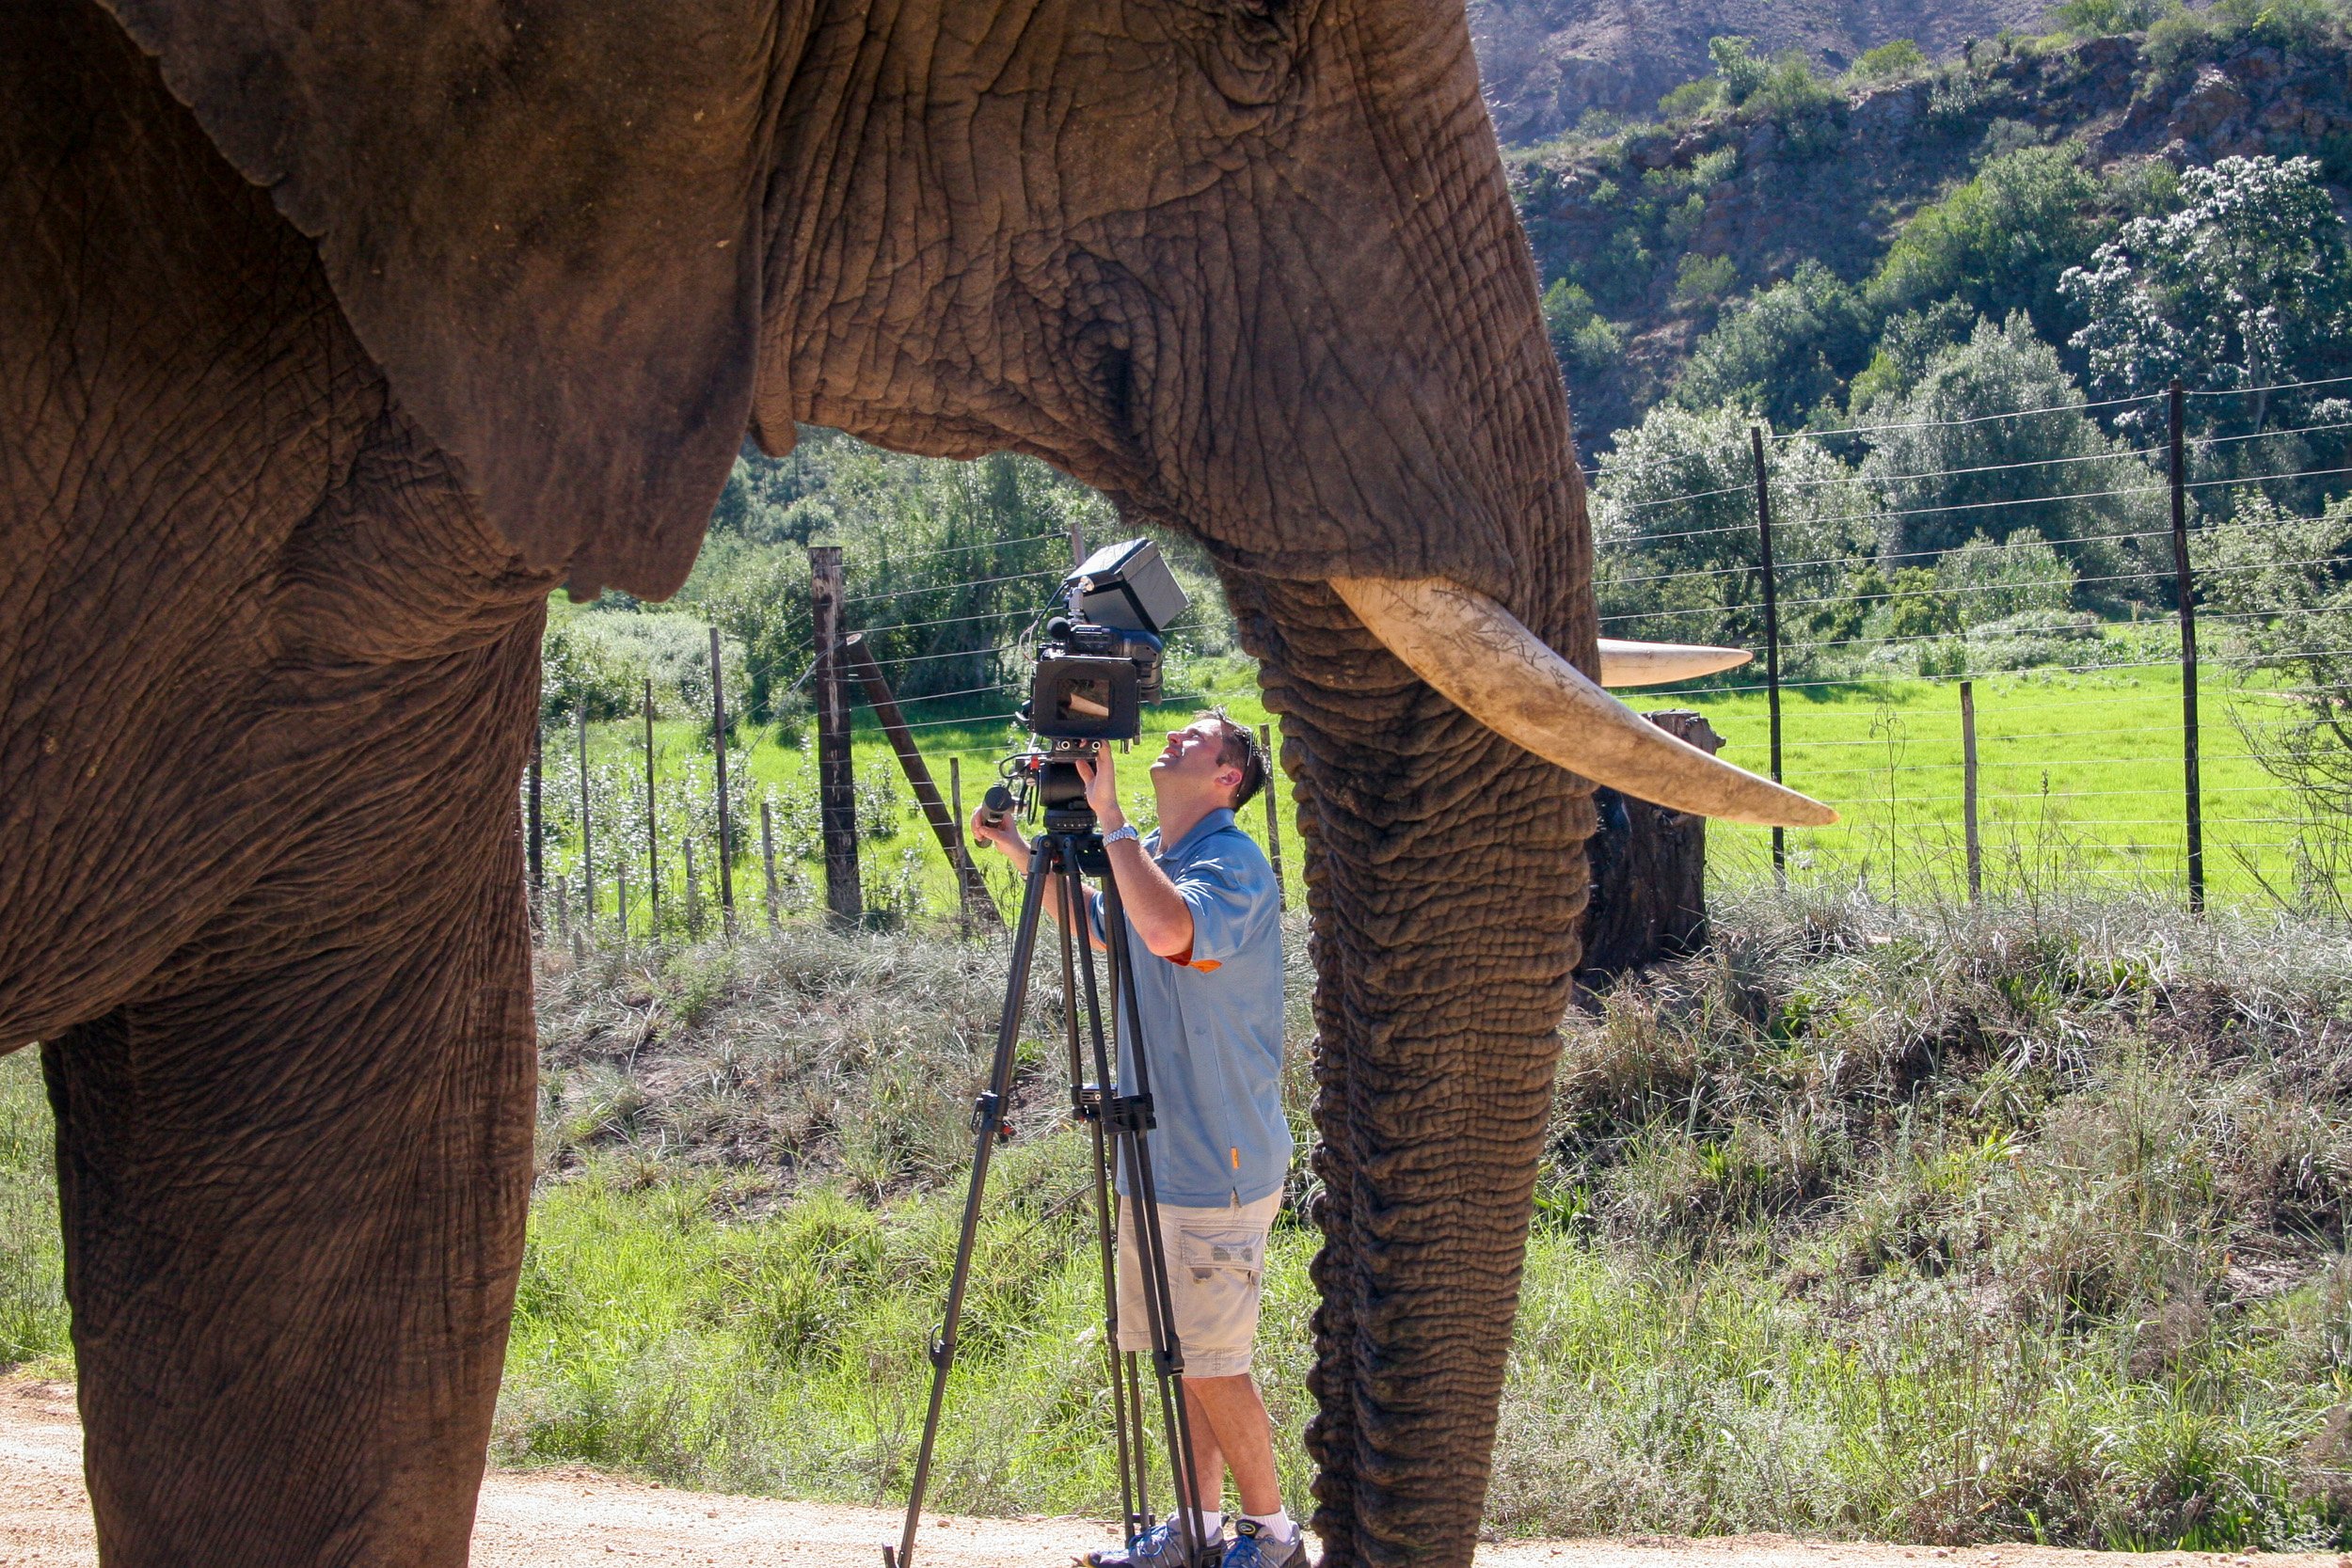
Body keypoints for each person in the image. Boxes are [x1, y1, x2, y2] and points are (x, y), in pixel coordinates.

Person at [970, 710, 1301, 1568]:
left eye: (1196, 737)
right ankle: (1195, 1531)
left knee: (1213, 1361)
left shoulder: (1234, 865)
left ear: (1229, 777)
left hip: (1215, 1160)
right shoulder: (1162, 851)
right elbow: (1102, 923)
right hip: (1159, 1154)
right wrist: (1017, 849)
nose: (1171, 740)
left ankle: (1274, 1539)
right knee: (1183, 1353)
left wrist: (1111, 820)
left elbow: (1164, 931)